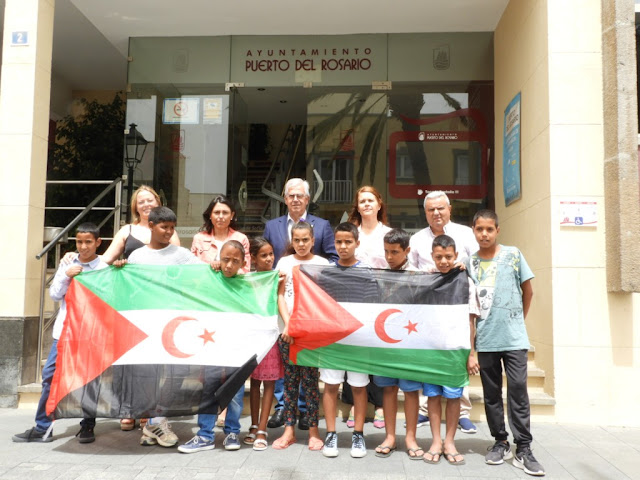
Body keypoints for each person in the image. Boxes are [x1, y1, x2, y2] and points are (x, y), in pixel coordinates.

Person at [61, 185, 180, 432]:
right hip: (131, 305)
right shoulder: (127, 230)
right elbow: (104, 261)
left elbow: (177, 263)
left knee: (153, 362)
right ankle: (129, 410)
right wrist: (77, 257)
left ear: (157, 202)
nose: (146, 204)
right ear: (135, 206)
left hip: (158, 305)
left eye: (150, 200)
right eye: (141, 201)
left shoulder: (169, 231)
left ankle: (147, 410)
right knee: (130, 361)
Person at [465, 209, 545, 476]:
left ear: (497, 230)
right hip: (486, 340)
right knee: (491, 394)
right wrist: (471, 349)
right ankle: (500, 441)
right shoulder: (469, 263)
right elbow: (469, 307)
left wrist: (517, 320)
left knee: (518, 391)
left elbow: (528, 291)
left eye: (489, 229)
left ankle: (524, 447)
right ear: (473, 230)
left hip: (514, 339)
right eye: (479, 229)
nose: (484, 234)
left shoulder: (513, 254)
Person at [12, 223, 108, 444]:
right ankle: (43, 427)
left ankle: (87, 425)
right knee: (49, 376)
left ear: (98, 242)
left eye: (88, 242)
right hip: (64, 331)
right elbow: (55, 294)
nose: (83, 246)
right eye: (79, 242)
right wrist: (66, 275)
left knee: (89, 379)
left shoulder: (104, 267)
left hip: (90, 332)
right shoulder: (67, 263)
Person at [122, 206, 204, 447]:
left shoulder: (182, 254)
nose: (169, 232)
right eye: (164, 227)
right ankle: (153, 422)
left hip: (173, 326)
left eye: (172, 228)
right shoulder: (137, 257)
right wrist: (118, 269)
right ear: (151, 226)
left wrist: (220, 266)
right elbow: (128, 287)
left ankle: (156, 418)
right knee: (149, 374)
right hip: (146, 325)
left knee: (178, 371)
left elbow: (206, 273)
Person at [263, 178, 337, 429]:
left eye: (300, 195)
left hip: (312, 319)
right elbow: (268, 263)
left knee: (309, 372)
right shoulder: (272, 227)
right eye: (291, 195)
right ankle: (284, 409)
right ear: (285, 199)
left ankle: (306, 411)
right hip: (285, 315)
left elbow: (333, 260)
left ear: (307, 199)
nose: (295, 199)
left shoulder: (323, 225)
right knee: (287, 369)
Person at [408, 190, 478, 433]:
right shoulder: (417, 239)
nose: (436, 213)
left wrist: (464, 264)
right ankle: (426, 409)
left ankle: (463, 412)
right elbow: (410, 270)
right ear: (425, 212)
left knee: (457, 355)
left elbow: (478, 261)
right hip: (429, 310)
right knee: (431, 357)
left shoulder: (465, 233)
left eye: (440, 208)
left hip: (457, 307)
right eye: (431, 209)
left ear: (450, 209)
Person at [178, 240, 249, 453]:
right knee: (208, 389)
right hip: (211, 345)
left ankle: (232, 432)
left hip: (237, 348)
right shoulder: (209, 278)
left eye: (235, 261)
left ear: (243, 263)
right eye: (225, 259)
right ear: (218, 259)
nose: (229, 265)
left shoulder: (247, 284)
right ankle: (205, 435)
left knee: (235, 392)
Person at [422, 234, 479, 466]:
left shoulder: (465, 282)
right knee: (433, 396)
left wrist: (471, 354)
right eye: (439, 257)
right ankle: (436, 441)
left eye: (448, 256)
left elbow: (470, 321)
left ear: (456, 256)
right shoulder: (427, 279)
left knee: (454, 397)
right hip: (431, 350)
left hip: (456, 350)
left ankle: (450, 442)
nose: (443, 261)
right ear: (432, 257)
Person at [320, 222, 375, 459]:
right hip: (333, 340)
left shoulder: (367, 273)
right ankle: (331, 433)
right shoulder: (326, 272)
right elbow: (320, 304)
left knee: (359, 387)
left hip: (358, 341)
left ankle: (358, 434)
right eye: (339, 242)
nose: (343, 246)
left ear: (357, 243)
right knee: (330, 385)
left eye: (348, 242)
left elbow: (373, 304)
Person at [272, 221, 328, 451]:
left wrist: (308, 327)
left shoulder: (322, 264)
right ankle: (288, 431)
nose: (301, 244)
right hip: (287, 332)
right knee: (290, 382)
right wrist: (288, 325)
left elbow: (324, 299)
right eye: (297, 240)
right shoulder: (284, 262)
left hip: (311, 333)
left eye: (305, 240)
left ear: (313, 240)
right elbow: (279, 295)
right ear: (291, 241)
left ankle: (314, 432)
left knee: (311, 382)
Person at [372, 228, 423, 460]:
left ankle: (411, 438)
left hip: (410, 344)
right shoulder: (379, 274)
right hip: (384, 343)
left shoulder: (420, 276)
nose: (389, 256)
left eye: (394, 252)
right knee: (388, 389)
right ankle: (390, 436)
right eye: (386, 251)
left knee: (410, 391)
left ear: (407, 250)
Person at [344, 186, 388, 428]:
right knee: (355, 351)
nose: (367, 204)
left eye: (371, 200)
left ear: (379, 204)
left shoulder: (388, 233)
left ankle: (380, 405)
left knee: (376, 352)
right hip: (354, 300)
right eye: (362, 201)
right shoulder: (351, 233)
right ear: (358, 206)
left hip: (381, 301)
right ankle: (353, 402)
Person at [243, 237, 282, 451]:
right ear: (253, 258)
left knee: (269, 382)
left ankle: (262, 429)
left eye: (271, 254)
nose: (269, 259)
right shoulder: (246, 279)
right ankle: (253, 424)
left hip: (271, 335)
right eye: (264, 255)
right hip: (252, 337)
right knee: (255, 382)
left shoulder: (278, 277)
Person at [191, 195, 251, 273]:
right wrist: (211, 266)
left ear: (232, 215)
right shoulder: (199, 238)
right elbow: (192, 267)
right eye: (217, 212)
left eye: (225, 213)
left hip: (232, 280)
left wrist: (225, 268)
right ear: (210, 215)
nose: (221, 216)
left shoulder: (241, 239)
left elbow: (245, 269)